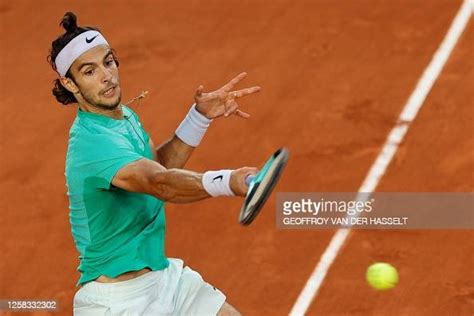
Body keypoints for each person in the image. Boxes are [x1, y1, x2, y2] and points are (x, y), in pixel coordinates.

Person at [48, 11, 261, 315]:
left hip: (163, 279)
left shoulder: (122, 116)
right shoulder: (91, 144)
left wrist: (198, 119)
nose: (107, 76)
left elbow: (157, 166)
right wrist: (229, 181)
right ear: (70, 84)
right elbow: (158, 183)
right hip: (116, 302)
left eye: (108, 62)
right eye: (89, 71)